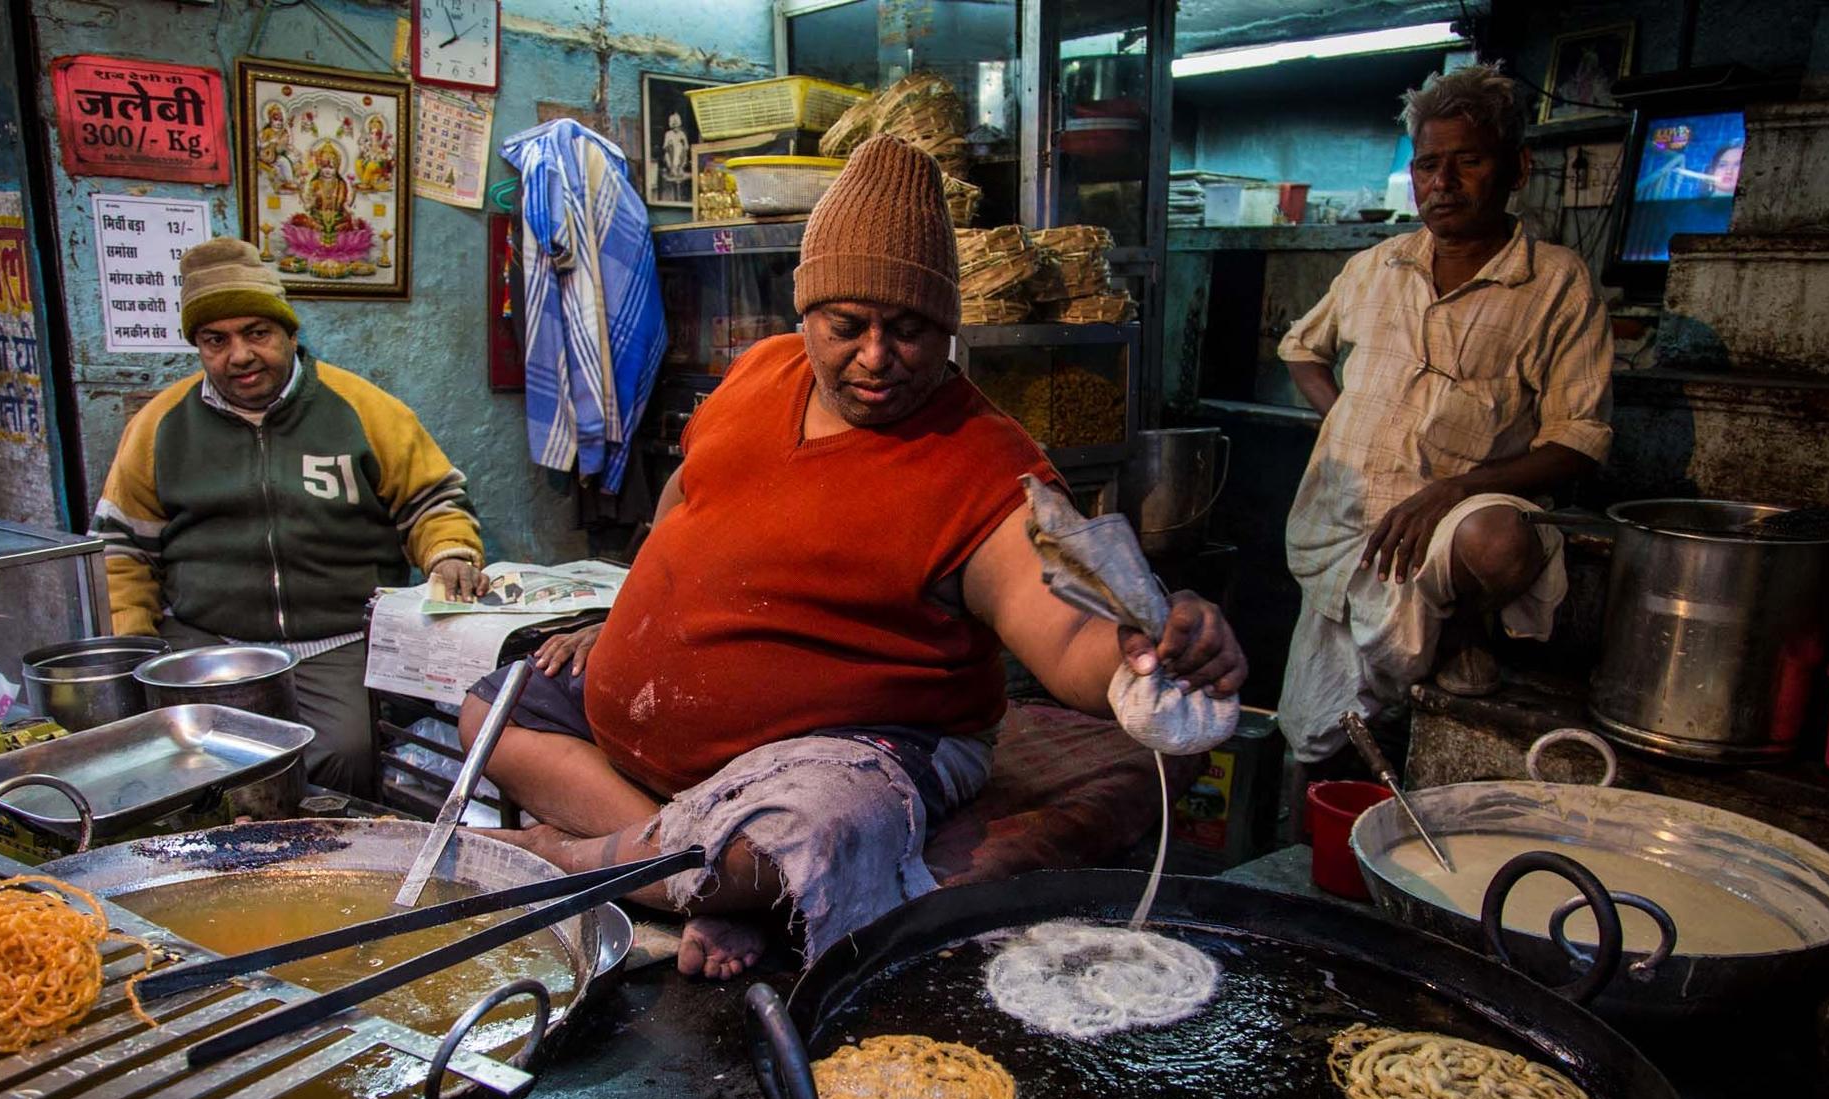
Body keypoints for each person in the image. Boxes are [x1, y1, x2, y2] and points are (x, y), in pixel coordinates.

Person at [462, 135, 1246, 979]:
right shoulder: (762, 371)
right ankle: (694, 880)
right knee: (488, 710)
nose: (875, 358)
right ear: (807, 314)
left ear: (947, 328)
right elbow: (683, 501)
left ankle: (576, 859)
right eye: (849, 326)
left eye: (909, 331)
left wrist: (1147, 651)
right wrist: (623, 616)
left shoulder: (982, 462)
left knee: (805, 839)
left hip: (859, 746)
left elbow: (1064, 634)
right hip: (660, 749)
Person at [1274, 63, 1612, 777]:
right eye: (1428, 164)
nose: (1443, 182)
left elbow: (1580, 441)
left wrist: (1453, 491)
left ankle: (1461, 633)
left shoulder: (1555, 282)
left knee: (1500, 539)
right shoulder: (1376, 266)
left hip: (1447, 531)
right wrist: (1341, 416)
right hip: (1346, 525)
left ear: (1516, 168)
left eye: (1469, 161)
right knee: (1312, 738)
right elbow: (1302, 348)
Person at [92, 238, 489, 795]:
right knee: (193, 768)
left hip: (341, 640)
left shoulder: (362, 409)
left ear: (290, 334)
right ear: (198, 347)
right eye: (216, 340)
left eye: (257, 333)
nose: (239, 355)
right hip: (208, 644)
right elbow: (122, 549)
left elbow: (434, 502)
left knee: (346, 756)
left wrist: (449, 553)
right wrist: (134, 654)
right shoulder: (160, 425)